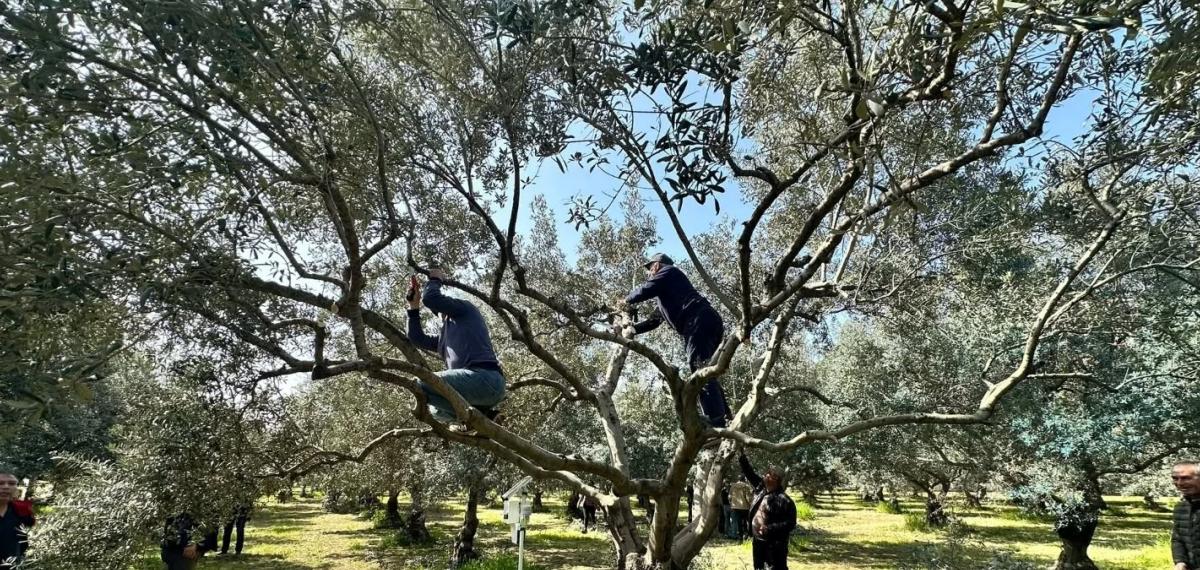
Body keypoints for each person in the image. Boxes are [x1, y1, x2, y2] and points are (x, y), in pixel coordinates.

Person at [618, 253, 731, 427]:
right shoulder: (667, 294)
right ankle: (725, 418)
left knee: (700, 369)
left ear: (657, 265)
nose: (649, 273)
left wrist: (625, 301)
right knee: (706, 370)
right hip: (705, 321)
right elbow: (654, 321)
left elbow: (646, 289)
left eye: (650, 269)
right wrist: (633, 329)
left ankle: (716, 422)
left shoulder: (669, 271)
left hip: (698, 319)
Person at [407, 269, 507, 426]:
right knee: (436, 411)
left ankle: (479, 416)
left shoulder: (466, 309)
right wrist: (413, 307)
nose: (440, 312)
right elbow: (416, 338)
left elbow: (431, 298)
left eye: (442, 305)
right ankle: (483, 418)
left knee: (422, 382)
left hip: (486, 379)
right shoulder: (443, 339)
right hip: (474, 391)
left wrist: (435, 279)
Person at [740, 452, 796, 570]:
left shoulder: (784, 500)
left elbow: (790, 523)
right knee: (759, 568)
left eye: (768, 473)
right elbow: (750, 474)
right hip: (758, 542)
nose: (765, 474)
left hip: (774, 546)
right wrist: (742, 457)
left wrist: (769, 528)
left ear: (775, 478)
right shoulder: (762, 488)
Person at [0, 471, 34, 570]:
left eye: (11, 483)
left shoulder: (22, 510)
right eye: (0, 483)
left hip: (14, 565)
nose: (6, 487)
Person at [1172, 460, 1200, 570]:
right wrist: (1180, 562)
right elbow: (1178, 538)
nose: (1179, 483)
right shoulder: (1181, 507)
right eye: (1175, 478)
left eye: (1186, 478)